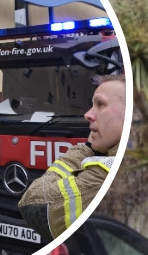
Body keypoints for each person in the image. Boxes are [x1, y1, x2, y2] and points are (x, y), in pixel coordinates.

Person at [19, 74, 128, 240]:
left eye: (100, 104)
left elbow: (34, 203)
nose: (88, 115)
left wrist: (86, 149)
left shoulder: (110, 172)